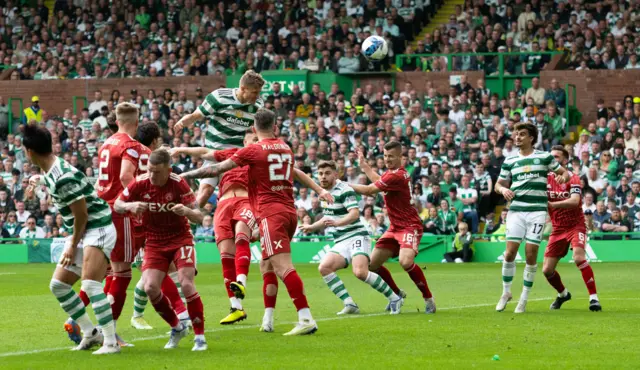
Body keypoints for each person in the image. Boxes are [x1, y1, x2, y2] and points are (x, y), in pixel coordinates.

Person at [180, 108, 333, 335]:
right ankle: (268, 319)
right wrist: (319, 189)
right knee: (267, 265)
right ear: (274, 126)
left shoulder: (253, 150)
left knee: (283, 267)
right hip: (288, 211)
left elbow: (217, 168)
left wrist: (185, 176)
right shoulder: (285, 148)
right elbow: (296, 173)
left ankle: (305, 317)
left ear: (254, 128)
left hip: (270, 213)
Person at [23, 123, 119, 354]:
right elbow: (56, 182)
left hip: (97, 228)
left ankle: (111, 343)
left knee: (91, 285)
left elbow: (82, 215)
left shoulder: (63, 176)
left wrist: (71, 245)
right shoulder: (52, 169)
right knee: (59, 286)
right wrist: (39, 180)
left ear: (29, 152)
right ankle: (90, 332)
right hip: (85, 229)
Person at [114, 149, 207, 351]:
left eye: (157, 172)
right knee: (150, 288)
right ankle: (177, 327)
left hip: (180, 239)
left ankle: (200, 337)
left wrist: (187, 211)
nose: (152, 175)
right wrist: (130, 207)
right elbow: (118, 204)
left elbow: (200, 216)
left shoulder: (178, 183)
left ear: (168, 169)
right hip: (154, 242)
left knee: (186, 283)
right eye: (149, 170)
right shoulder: (140, 183)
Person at [169, 132, 260, 325]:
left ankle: (241, 282)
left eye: (259, 140)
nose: (258, 143)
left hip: (246, 201)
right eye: (254, 140)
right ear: (244, 141)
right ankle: (236, 307)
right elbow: (204, 152)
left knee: (242, 235)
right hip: (223, 205)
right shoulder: (231, 154)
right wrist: (180, 149)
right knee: (226, 255)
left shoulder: (262, 159)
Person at [299, 160, 403, 315]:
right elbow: (328, 217)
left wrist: (337, 223)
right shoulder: (324, 194)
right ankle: (350, 304)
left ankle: (395, 298)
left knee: (360, 272)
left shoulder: (344, 189)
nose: (323, 177)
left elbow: (354, 214)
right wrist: (311, 227)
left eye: (327, 173)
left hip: (356, 236)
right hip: (341, 240)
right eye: (320, 174)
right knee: (324, 267)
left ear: (335, 174)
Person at [350, 141, 436, 314]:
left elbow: (369, 190)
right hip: (394, 227)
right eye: (385, 156)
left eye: (390, 156)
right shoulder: (391, 174)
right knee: (372, 265)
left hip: (409, 226)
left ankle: (428, 299)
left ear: (400, 157)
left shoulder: (398, 175)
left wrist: (342, 185)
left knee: (405, 262)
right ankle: (397, 294)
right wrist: (365, 166)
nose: (387, 159)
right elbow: (378, 182)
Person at [495, 122, 570, 313]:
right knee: (510, 253)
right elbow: (498, 185)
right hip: (517, 210)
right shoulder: (510, 160)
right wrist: (504, 189)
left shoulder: (544, 157)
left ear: (531, 138)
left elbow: (565, 173)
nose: (517, 137)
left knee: (530, 254)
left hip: (536, 211)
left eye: (522, 134)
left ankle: (524, 298)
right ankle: (506, 292)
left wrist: (563, 177)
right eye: (516, 134)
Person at [93, 102, 149, 345]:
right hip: (119, 212)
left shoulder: (106, 144)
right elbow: (127, 176)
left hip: (101, 212)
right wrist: (138, 201)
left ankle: (99, 327)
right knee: (123, 273)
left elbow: (101, 180)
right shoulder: (131, 145)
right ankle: (110, 333)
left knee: (110, 272)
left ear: (116, 121)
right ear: (136, 123)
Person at [129, 121, 190, 331]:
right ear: (155, 140)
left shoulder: (137, 157)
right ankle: (181, 313)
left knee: (152, 277)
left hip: (149, 227)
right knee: (156, 274)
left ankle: (139, 315)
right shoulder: (147, 163)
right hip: (144, 228)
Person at [173, 70, 266, 208]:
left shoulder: (258, 105)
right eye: (254, 92)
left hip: (235, 156)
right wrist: (181, 123)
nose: (256, 96)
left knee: (232, 195)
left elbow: (258, 131)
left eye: (258, 92)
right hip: (213, 152)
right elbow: (196, 115)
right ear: (243, 88)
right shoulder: (219, 97)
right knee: (204, 193)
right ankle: (186, 222)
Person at [543, 146, 601, 312]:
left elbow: (575, 201)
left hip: (576, 225)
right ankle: (563, 294)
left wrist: (551, 204)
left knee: (578, 258)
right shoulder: (545, 180)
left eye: (556, 157)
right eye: (551, 156)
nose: (552, 159)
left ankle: (594, 299)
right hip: (557, 229)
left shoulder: (573, 178)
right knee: (547, 270)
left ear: (565, 160)